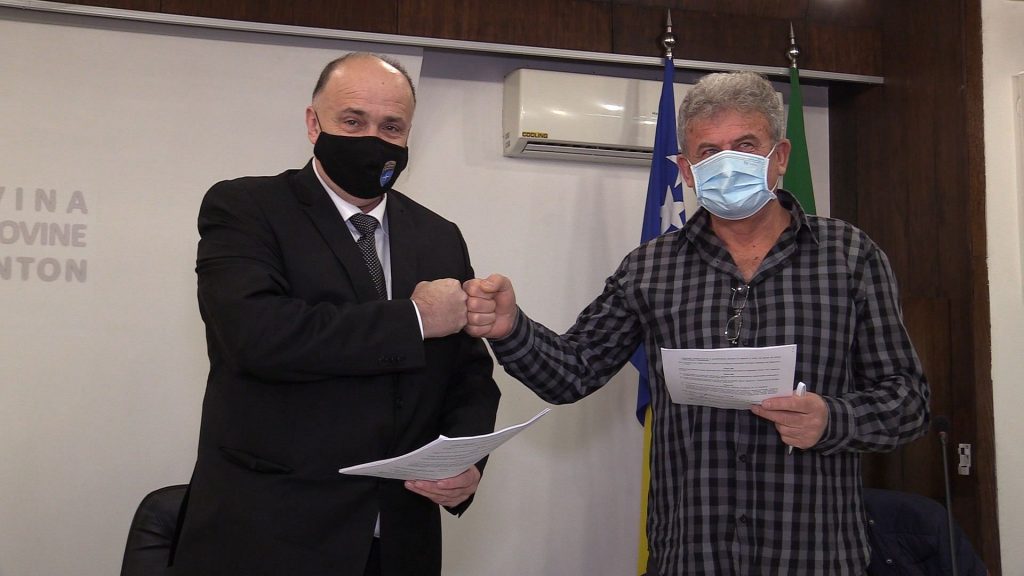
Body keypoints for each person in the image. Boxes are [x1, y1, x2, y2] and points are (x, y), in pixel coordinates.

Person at [464, 71, 929, 575]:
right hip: (691, 554)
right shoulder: (650, 267)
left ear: (780, 157)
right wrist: (510, 327)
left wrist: (831, 419)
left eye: (745, 145)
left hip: (813, 555)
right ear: (686, 170)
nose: (727, 163)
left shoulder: (849, 256)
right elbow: (571, 372)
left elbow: (908, 401)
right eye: (709, 152)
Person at [170, 53, 500, 576]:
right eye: (352, 121)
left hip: (398, 540)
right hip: (269, 537)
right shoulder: (246, 208)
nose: (373, 139)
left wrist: (465, 462)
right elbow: (257, 337)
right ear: (313, 123)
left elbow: (469, 375)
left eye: (391, 127)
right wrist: (414, 319)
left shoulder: (439, 235)